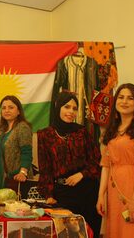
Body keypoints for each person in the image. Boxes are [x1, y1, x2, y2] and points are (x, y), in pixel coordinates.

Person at [37, 91, 101, 237]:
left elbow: (97, 160)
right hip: (62, 193)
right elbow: (45, 168)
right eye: (67, 107)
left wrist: (81, 174)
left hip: (87, 191)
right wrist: (48, 194)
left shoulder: (83, 132)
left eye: (74, 108)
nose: (71, 111)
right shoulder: (45, 135)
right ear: (58, 107)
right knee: (66, 233)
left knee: (88, 232)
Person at [96, 83, 134, 238]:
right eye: (121, 97)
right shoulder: (113, 129)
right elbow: (106, 165)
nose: (124, 101)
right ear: (115, 101)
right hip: (114, 190)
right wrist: (101, 195)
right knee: (116, 231)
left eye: (130, 98)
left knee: (132, 230)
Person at [0, 95, 32, 190]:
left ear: (19, 111)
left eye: (11, 107)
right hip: (4, 179)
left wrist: (23, 173)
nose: (7, 110)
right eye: (4, 108)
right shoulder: (5, 131)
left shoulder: (22, 127)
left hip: (17, 180)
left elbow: (27, 152)